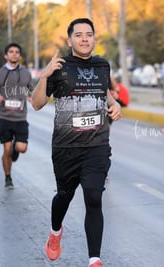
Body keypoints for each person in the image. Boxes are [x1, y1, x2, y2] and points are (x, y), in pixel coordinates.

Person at [31, 18, 121, 267]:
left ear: (94, 38)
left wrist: (115, 106)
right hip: (66, 147)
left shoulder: (102, 65)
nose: (84, 38)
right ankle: (55, 231)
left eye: (88, 34)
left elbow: (103, 92)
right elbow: (36, 103)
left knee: (94, 197)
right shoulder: (58, 66)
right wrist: (44, 76)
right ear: (69, 40)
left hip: (97, 144)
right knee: (64, 195)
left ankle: (94, 260)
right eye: (79, 35)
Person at [0, 42, 34, 189]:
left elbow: (32, 90)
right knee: (6, 150)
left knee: (22, 148)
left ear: (20, 55)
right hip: (5, 118)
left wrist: (32, 97)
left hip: (21, 118)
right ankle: (8, 178)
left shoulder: (26, 73)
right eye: (11, 52)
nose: (14, 54)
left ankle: (15, 147)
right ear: (6, 55)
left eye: (17, 52)